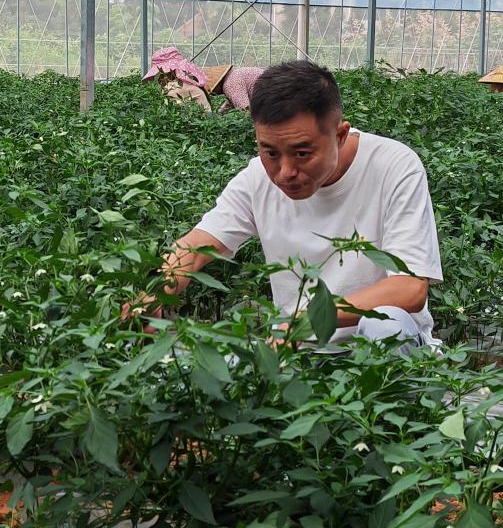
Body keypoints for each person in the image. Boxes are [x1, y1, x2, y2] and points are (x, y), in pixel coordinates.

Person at [123, 59, 443, 345]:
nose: (285, 172)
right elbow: (198, 247)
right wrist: (152, 295)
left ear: (340, 135)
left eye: (303, 153)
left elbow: (408, 288)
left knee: (388, 328)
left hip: (365, 342)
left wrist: (305, 321)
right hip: (295, 348)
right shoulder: (257, 179)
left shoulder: (393, 166)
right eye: (270, 152)